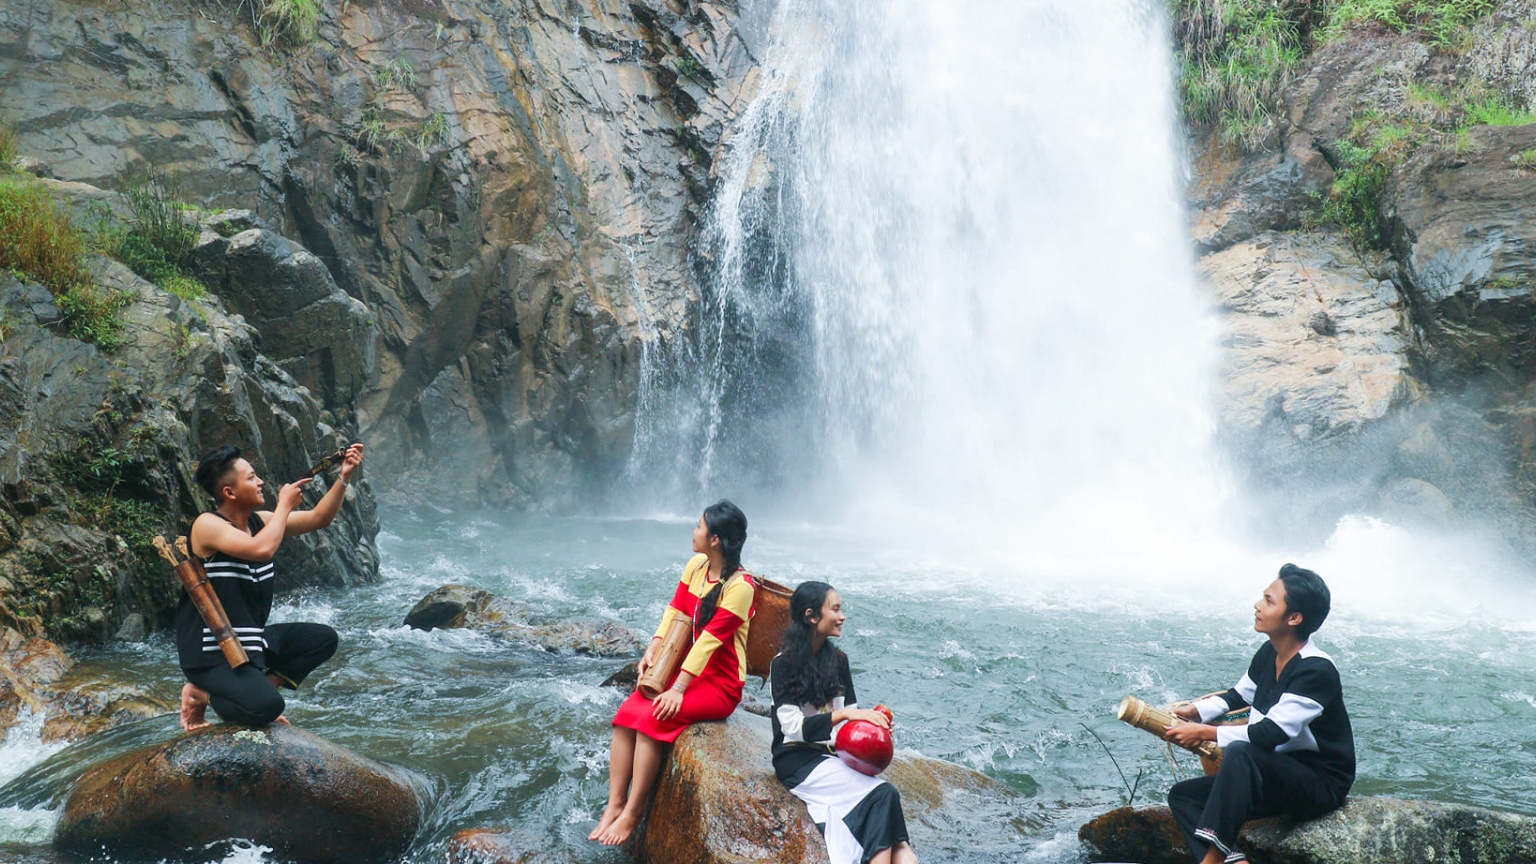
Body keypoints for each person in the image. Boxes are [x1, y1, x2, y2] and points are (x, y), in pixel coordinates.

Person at [1164, 564, 1354, 864]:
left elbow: (1269, 735)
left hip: (1318, 783)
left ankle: (1212, 860)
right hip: (1276, 773)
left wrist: (1203, 733)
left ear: (1294, 618)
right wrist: (1194, 712)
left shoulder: (1316, 670)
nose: (1258, 605)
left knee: (1242, 751)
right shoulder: (1271, 653)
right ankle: (1236, 862)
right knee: (1184, 796)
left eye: (1269, 600)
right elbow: (1237, 696)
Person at [590, 500, 754, 846]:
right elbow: (676, 609)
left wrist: (677, 688)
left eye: (699, 526)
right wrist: (655, 646)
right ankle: (614, 803)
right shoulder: (697, 566)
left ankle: (633, 812)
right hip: (685, 666)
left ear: (716, 540)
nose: (693, 531)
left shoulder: (741, 588)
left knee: (654, 717)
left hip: (720, 683)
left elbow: (708, 643)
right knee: (626, 715)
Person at [176, 442, 364, 732]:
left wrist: (343, 477)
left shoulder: (260, 522)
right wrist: (284, 505)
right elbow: (261, 550)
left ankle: (257, 688)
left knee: (322, 638)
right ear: (229, 492)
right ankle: (201, 692)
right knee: (268, 708)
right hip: (212, 655)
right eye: (251, 477)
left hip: (250, 643)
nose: (260, 481)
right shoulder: (207, 525)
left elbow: (319, 518)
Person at [770, 581, 917, 864]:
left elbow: (844, 729)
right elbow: (792, 728)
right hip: (797, 761)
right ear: (812, 616)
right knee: (884, 795)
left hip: (836, 758)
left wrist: (874, 726)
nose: (842, 616)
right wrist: (848, 715)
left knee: (895, 833)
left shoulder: (839, 661)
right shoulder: (783, 663)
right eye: (835, 609)